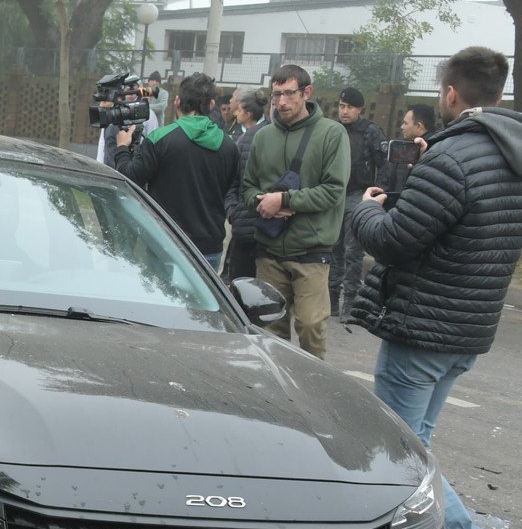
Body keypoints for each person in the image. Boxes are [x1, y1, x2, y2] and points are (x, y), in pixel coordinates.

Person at [349, 47, 522, 529]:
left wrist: (364, 210)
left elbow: (393, 240)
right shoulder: (517, 159)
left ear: (451, 94)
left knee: (400, 451)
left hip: (423, 330)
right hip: (466, 330)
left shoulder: (453, 156)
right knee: (419, 444)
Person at [241, 63, 349, 358]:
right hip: (269, 249)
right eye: (277, 95)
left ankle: (314, 388)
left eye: (289, 93)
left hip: (311, 250)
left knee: (311, 325)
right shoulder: (262, 137)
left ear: (306, 93)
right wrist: (262, 202)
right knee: (269, 328)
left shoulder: (332, 134)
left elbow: (334, 191)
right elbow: (247, 188)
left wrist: (285, 201)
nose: (282, 102)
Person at [114, 72, 239, 268]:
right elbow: (230, 190)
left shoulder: (160, 139)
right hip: (209, 247)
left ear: (177, 102)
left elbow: (129, 177)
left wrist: (122, 148)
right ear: (212, 105)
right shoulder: (229, 146)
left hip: (165, 243)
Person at [330, 86, 387, 320]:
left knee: (353, 251)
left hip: (357, 193)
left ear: (360, 109)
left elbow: (385, 162)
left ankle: (349, 304)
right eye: (342, 106)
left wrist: (375, 193)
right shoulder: (333, 130)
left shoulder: (370, 132)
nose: (344, 111)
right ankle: (331, 300)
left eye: (350, 107)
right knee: (333, 247)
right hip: (335, 193)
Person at [222, 87, 269, 280]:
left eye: (238, 107)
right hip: (244, 218)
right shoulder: (236, 132)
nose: (234, 111)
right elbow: (232, 181)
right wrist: (233, 210)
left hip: (260, 222)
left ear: (249, 113)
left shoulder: (265, 136)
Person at [383, 103, 436, 195]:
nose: (401, 127)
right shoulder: (407, 146)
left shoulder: (434, 150)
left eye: (405, 123)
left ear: (419, 126)